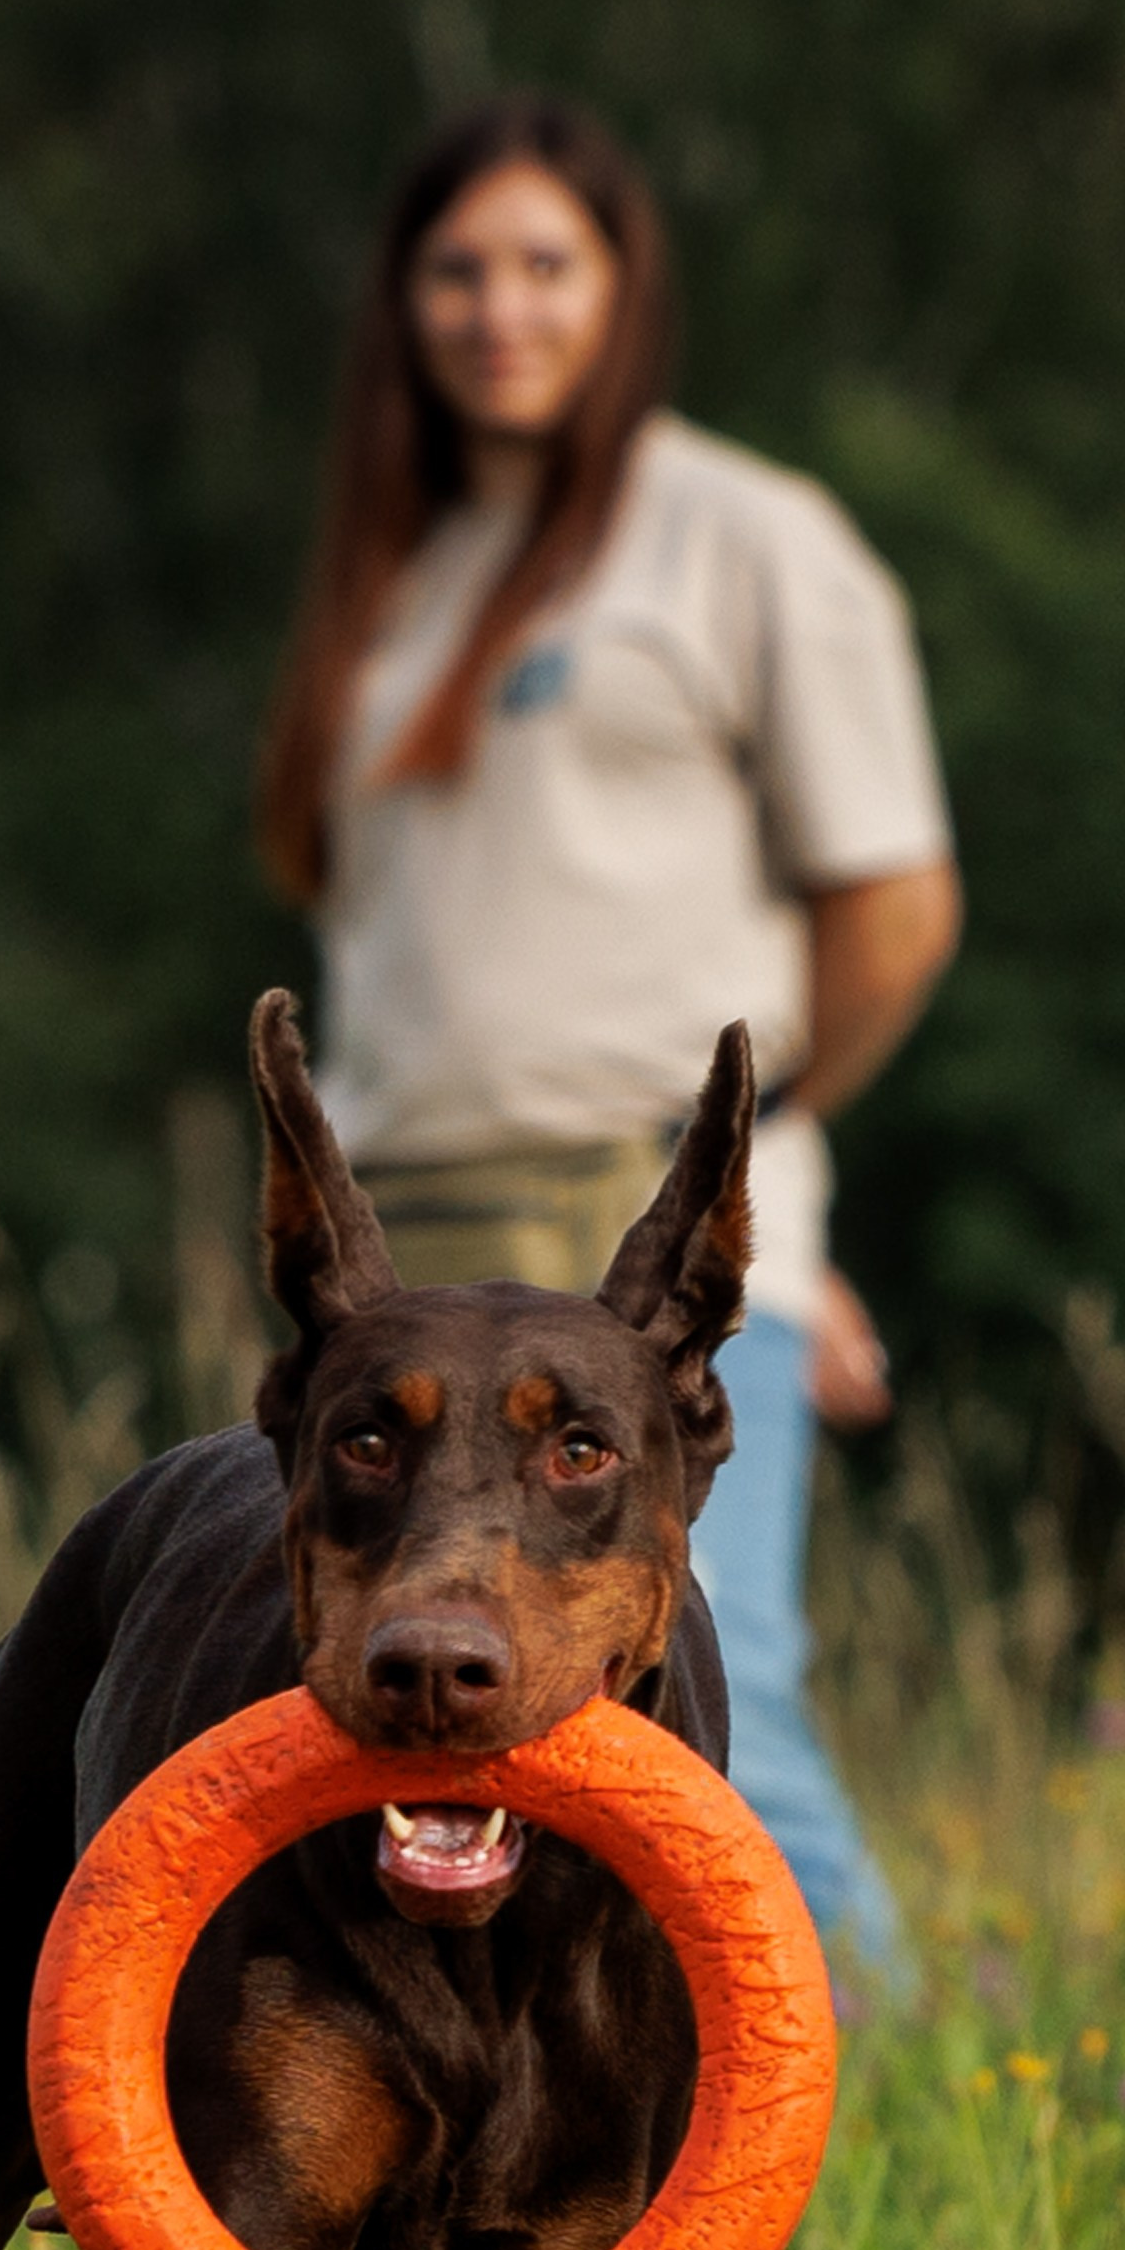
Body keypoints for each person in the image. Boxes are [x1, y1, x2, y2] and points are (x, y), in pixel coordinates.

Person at [257, 95, 959, 1981]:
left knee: (740, 1708)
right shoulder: (390, 575)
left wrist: (768, 1178)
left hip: (635, 1201)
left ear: (622, 291)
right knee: (367, 1694)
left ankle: (871, 2105)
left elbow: (893, 906)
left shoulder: (743, 537)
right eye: (458, 269)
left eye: (546, 265)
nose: (502, 309)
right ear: (403, 304)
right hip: (402, 1233)